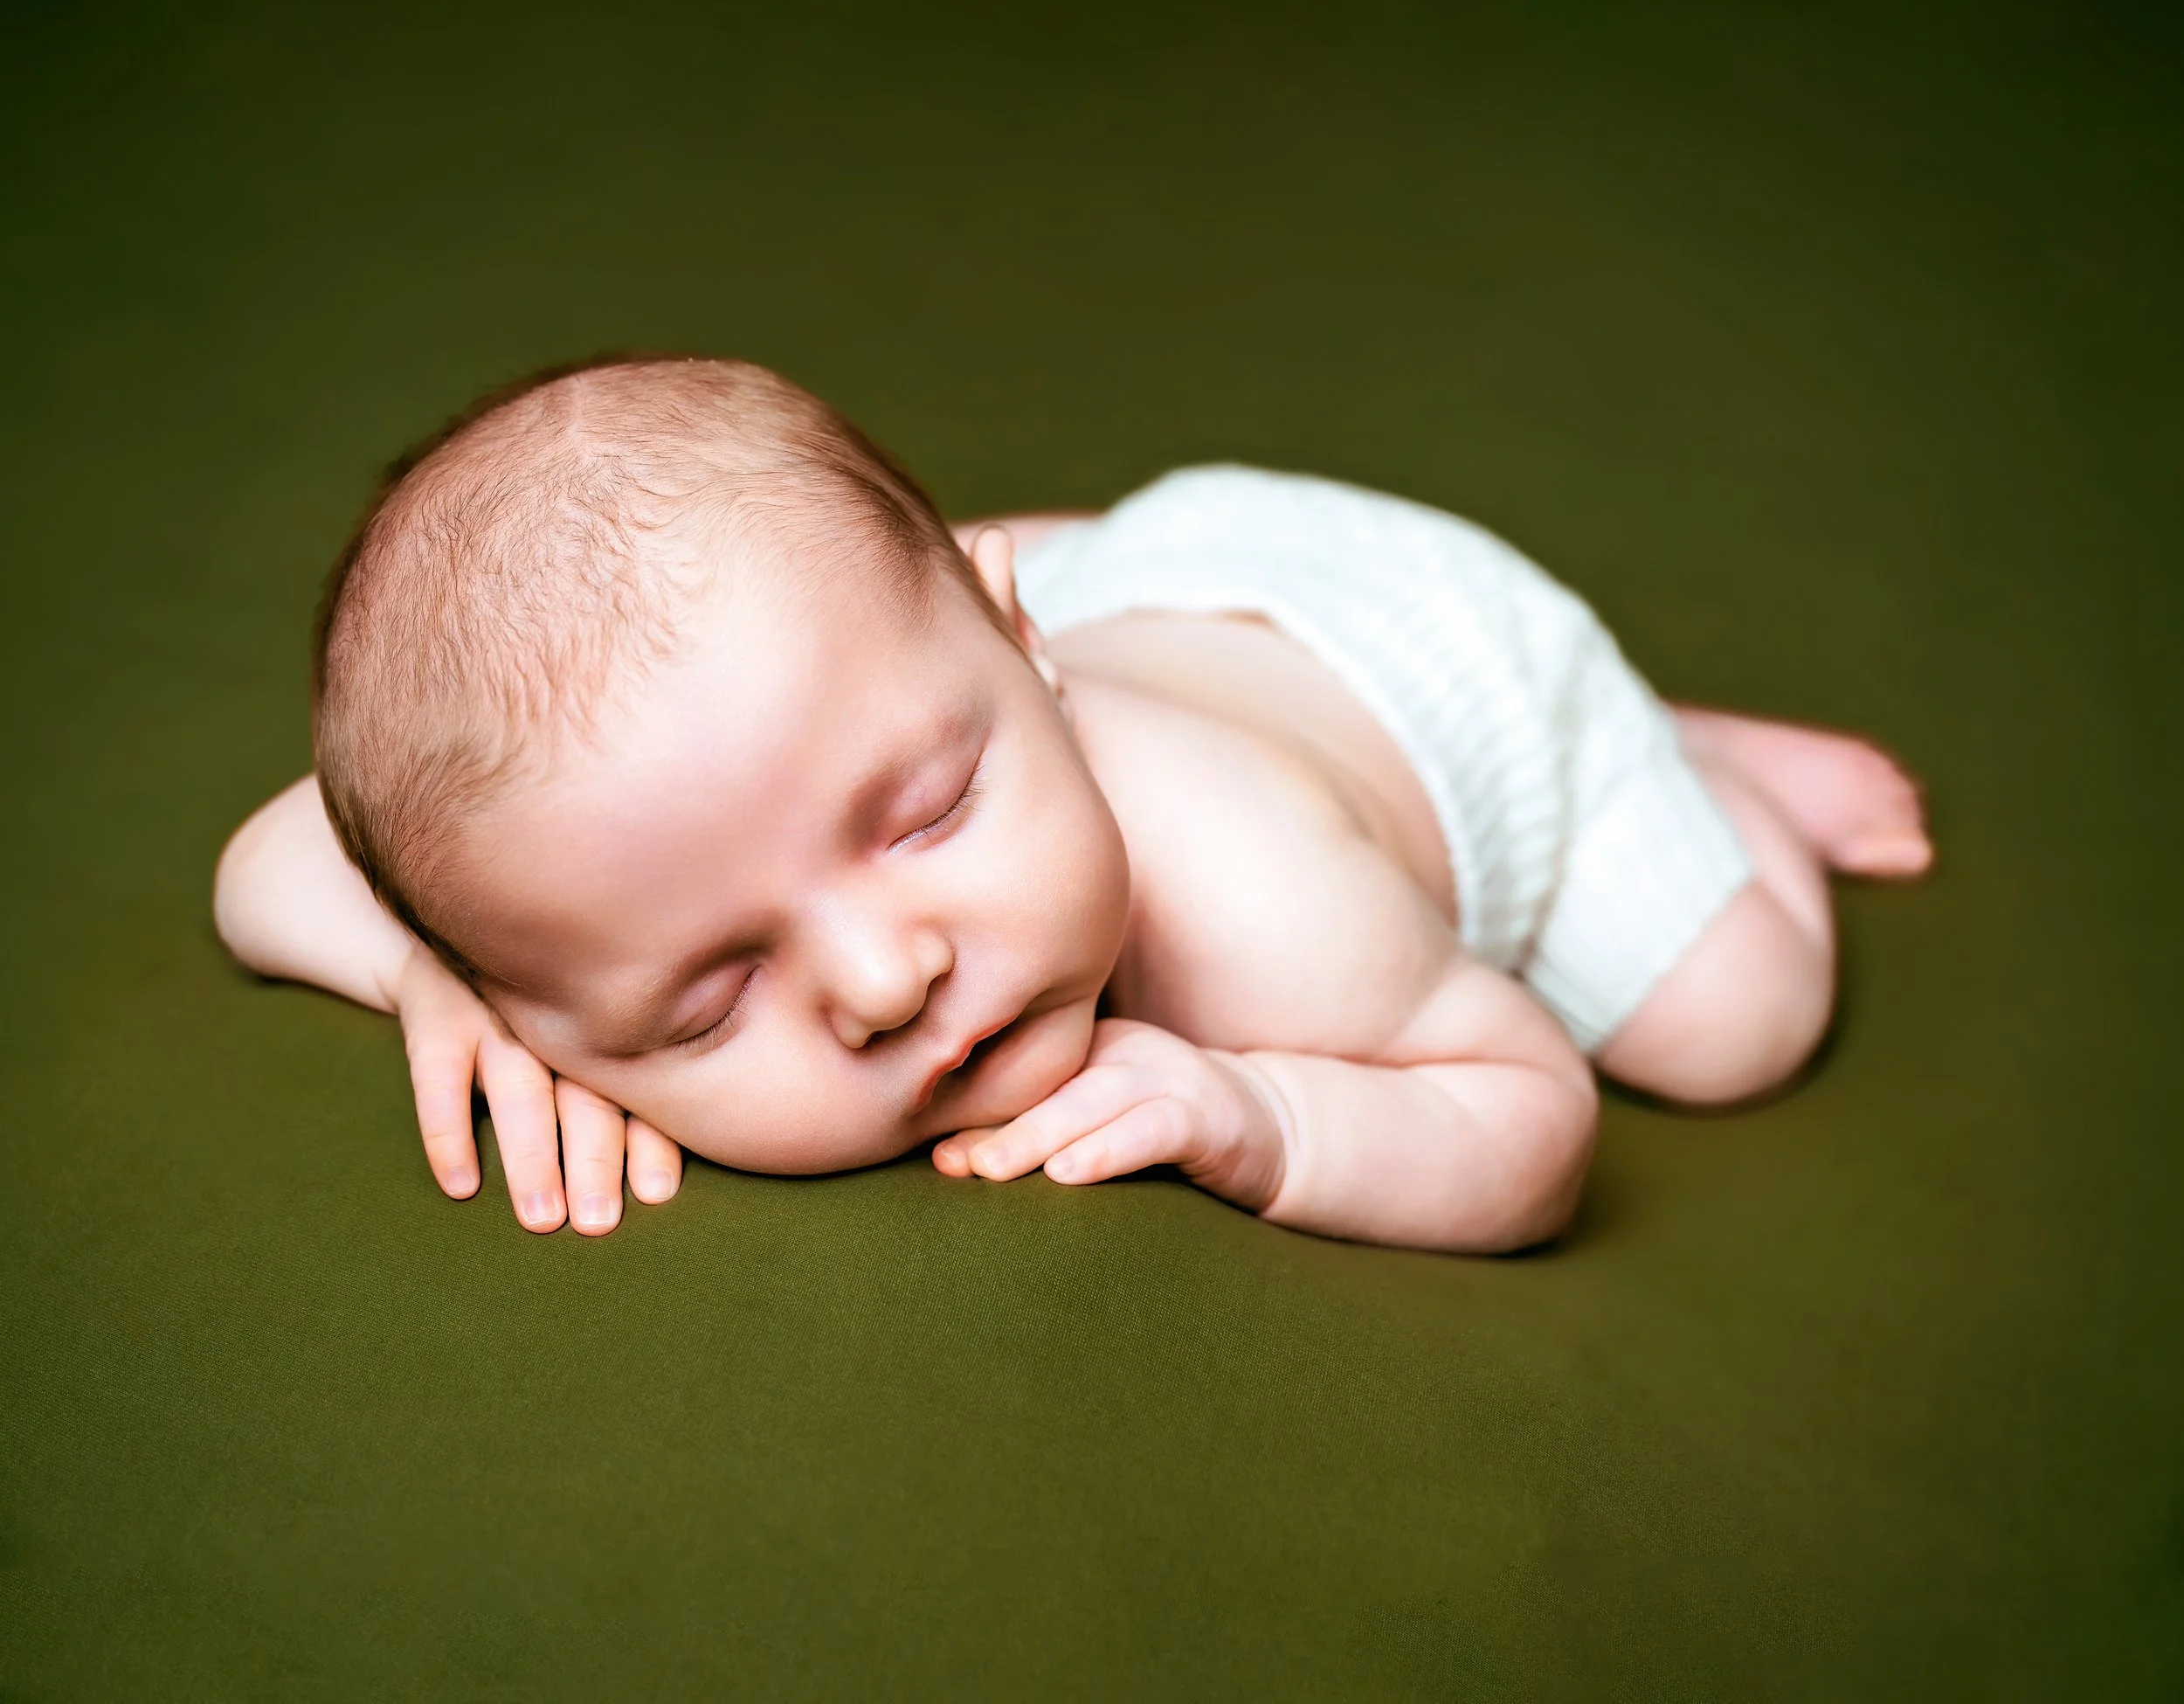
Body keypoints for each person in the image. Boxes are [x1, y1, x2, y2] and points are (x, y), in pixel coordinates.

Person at [213, 357, 1931, 1253]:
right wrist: (447, 979)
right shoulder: (610, 869)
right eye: (710, 988)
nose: (887, 983)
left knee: (1734, 1021)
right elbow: (268, 863)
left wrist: (1262, 1118)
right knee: (902, 617)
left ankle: (1685, 753)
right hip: (1100, 588)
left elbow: (1531, 1116)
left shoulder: (1258, 900)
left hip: (1460, 681)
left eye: (924, 814)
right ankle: (991, 635)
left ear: (1020, 672)